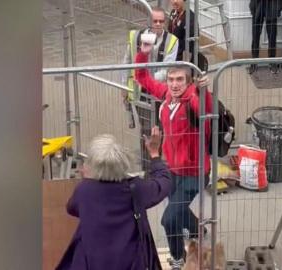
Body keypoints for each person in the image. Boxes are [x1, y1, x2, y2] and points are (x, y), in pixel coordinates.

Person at [134, 41, 212, 269]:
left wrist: (204, 91)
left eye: (180, 80)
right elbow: (142, 78)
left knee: (169, 219)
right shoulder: (166, 96)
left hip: (194, 173)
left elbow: (206, 114)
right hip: (173, 170)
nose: (175, 84)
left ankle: (178, 258)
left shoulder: (193, 100)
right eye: (171, 79)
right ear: (166, 81)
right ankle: (200, 231)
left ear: (188, 82)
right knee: (178, 211)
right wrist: (143, 53)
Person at [55, 127, 171, 270]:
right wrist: (154, 154)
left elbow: (71, 208)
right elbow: (164, 183)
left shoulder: (84, 191)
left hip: (92, 263)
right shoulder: (136, 188)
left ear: (93, 166)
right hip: (131, 263)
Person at [122, 6, 179, 171]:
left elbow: (167, 68)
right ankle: (148, 167)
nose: (159, 24)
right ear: (149, 21)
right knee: (146, 129)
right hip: (139, 93)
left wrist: (147, 80)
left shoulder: (172, 41)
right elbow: (127, 61)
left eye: (162, 21)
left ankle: (156, 164)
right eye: (155, 21)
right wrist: (124, 85)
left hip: (159, 94)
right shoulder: (136, 36)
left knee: (159, 129)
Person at [248, 0, 282, 73]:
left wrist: (279, 6)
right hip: (257, 4)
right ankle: (254, 61)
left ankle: (272, 61)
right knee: (255, 35)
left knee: (272, 35)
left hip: (272, 4)